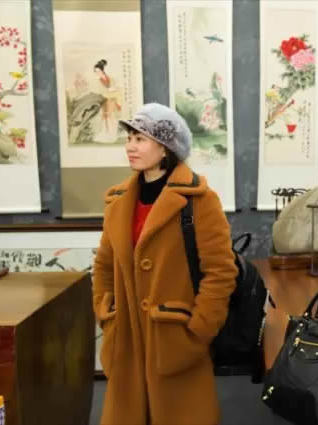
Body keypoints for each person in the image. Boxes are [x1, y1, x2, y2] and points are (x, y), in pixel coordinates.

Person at [92, 103, 237, 425]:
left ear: (165, 148)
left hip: (176, 339)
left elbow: (220, 272)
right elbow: (104, 265)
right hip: (126, 340)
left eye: (140, 139)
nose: (130, 146)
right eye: (129, 138)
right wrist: (105, 313)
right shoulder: (117, 200)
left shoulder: (199, 200)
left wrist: (199, 329)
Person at [93, 59, 122, 143]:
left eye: (98, 71)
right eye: (96, 71)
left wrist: (112, 90)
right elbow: (99, 92)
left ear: (102, 70)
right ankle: (106, 133)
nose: (97, 73)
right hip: (104, 99)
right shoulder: (98, 81)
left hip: (112, 99)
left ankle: (112, 134)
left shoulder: (110, 78)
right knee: (105, 116)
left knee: (111, 116)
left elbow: (115, 87)